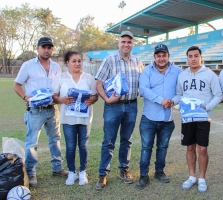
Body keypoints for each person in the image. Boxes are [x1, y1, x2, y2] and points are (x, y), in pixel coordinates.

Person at [13, 37, 68, 187]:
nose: (47, 50)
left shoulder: (56, 67)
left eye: (49, 47)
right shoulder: (28, 65)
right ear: (37, 48)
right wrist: (25, 97)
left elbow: (58, 88)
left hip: (52, 109)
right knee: (31, 143)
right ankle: (31, 173)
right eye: (44, 47)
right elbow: (17, 85)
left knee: (55, 139)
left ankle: (57, 168)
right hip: (35, 111)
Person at [94, 31, 143, 190]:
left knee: (126, 140)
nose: (126, 44)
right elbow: (99, 84)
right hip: (113, 106)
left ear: (132, 44)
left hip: (131, 105)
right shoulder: (109, 60)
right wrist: (107, 99)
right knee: (108, 140)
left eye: (129, 42)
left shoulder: (137, 61)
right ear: (118, 43)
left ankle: (124, 170)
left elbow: (143, 82)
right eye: (123, 41)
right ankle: (103, 174)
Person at [173, 46, 223, 192]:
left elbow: (218, 95)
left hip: (203, 118)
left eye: (196, 56)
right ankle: (192, 177)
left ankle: (202, 178)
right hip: (188, 118)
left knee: (202, 149)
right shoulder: (182, 76)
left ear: (201, 57)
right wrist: (173, 101)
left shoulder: (210, 75)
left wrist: (207, 107)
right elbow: (178, 94)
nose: (193, 59)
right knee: (190, 147)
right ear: (187, 58)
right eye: (190, 56)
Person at [136, 44, 182, 190]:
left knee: (162, 147)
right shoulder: (147, 71)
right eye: (158, 56)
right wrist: (160, 100)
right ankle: (143, 175)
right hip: (149, 118)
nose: (161, 58)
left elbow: (180, 92)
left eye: (164, 55)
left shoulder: (177, 71)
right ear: (154, 57)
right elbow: (144, 90)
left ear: (168, 56)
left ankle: (159, 172)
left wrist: (173, 101)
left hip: (167, 119)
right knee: (146, 147)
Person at [51, 51, 98, 186]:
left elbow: (95, 96)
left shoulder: (89, 78)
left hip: (84, 119)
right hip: (68, 119)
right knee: (71, 146)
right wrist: (61, 99)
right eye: (74, 61)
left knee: (83, 146)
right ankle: (72, 172)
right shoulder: (61, 78)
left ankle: (83, 172)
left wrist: (92, 101)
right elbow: (54, 95)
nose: (77, 63)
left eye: (79, 60)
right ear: (67, 63)